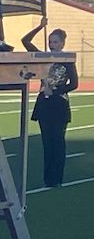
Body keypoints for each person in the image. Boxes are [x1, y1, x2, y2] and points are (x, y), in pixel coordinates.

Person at [23, 20, 78, 188]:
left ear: (62, 43)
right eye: (50, 41)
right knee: (47, 143)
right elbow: (25, 41)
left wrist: (54, 91)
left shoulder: (67, 60)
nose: (52, 45)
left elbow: (74, 84)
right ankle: (48, 180)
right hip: (44, 105)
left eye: (55, 42)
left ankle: (57, 179)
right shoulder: (43, 57)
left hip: (59, 104)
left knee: (58, 141)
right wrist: (40, 26)